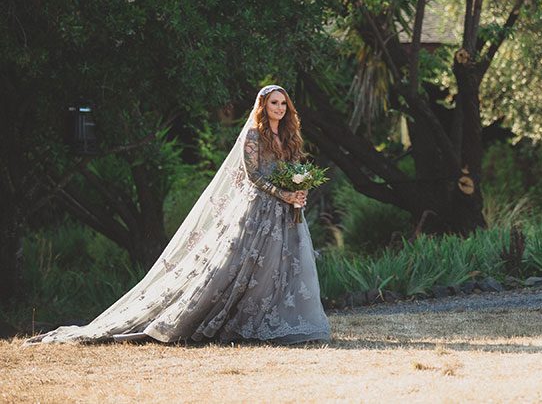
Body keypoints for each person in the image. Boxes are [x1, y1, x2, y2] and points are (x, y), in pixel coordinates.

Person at [23, 85, 331, 345]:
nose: (279, 108)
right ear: (263, 107)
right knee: (238, 266)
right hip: (257, 211)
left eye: (283, 104)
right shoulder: (253, 135)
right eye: (273, 103)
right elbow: (253, 176)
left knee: (280, 268)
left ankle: (274, 321)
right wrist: (284, 193)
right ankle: (215, 319)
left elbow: (290, 171)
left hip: (284, 212)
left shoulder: (289, 137)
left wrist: (298, 191)